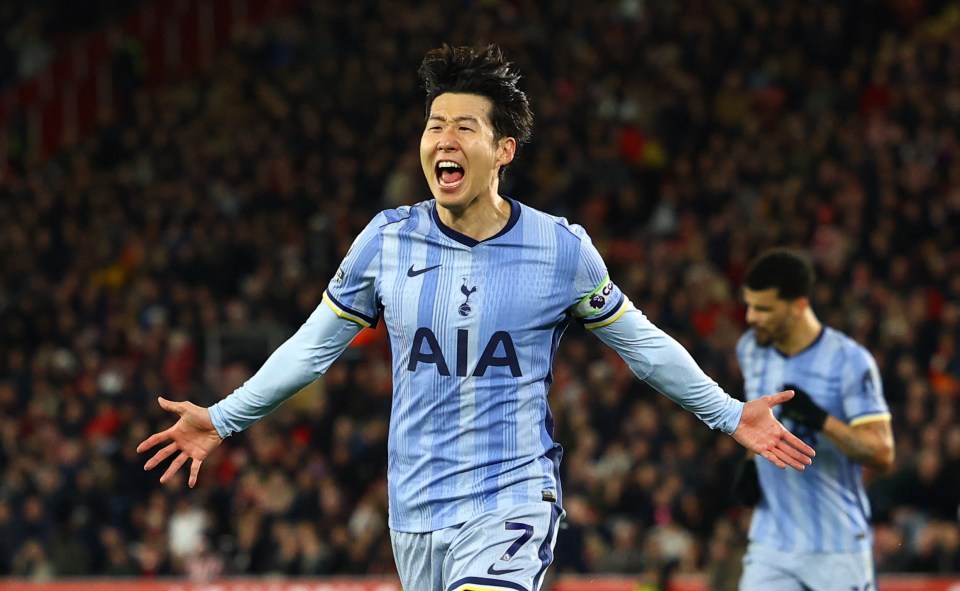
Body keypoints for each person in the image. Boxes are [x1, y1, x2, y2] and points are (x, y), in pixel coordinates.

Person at [137, 44, 814, 590]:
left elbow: (642, 344)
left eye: (464, 126)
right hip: (415, 515)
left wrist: (728, 411)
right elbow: (313, 346)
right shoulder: (386, 240)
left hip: (512, 499)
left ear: (504, 149)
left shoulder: (560, 249)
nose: (443, 140)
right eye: (434, 125)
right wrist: (224, 416)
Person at [734, 248, 895, 591]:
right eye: (749, 305)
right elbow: (760, 419)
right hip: (771, 543)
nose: (751, 317)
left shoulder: (849, 361)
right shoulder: (750, 349)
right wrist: (751, 463)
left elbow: (882, 454)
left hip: (836, 547)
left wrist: (821, 420)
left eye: (764, 308)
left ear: (798, 306)